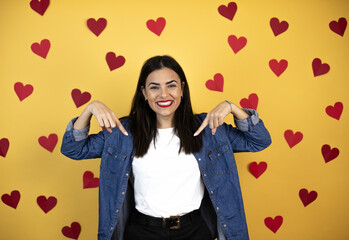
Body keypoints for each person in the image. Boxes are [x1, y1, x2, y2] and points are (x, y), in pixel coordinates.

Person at [61, 55, 271, 240]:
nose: (163, 94)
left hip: (195, 230)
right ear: (144, 92)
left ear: (182, 89)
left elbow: (259, 140)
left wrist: (233, 107)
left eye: (171, 85)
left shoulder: (209, 129)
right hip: (142, 231)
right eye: (154, 87)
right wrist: (89, 108)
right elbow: (73, 149)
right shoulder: (122, 133)